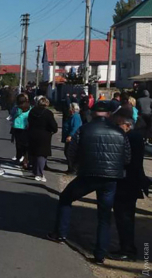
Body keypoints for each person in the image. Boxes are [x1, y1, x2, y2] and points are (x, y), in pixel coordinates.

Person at [47, 101, 131, 265]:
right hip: (110, 178)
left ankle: (60, 233)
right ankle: (100, 254)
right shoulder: (119, 132)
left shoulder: (84, 129)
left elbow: (72, 151)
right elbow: (127, 158)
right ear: (109, 114)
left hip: (88, 175)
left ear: (93, 113)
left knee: (65, 198)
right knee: (104, 215)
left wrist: (76, 167)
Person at [110, 110, 151, 262]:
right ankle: (125, 247)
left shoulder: (132, 138)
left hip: (128, 184)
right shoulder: (132, 137)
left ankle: (127, 249)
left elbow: (129, 162)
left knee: (125, 218)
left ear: (127, 125)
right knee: (123, 218)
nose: (116, 127)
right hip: (128, 182)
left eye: (118, 124)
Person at [28, 96, 58, 182]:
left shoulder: (32, 111)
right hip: (44, 135)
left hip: (33, 133)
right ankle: (39, 174)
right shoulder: (48, 113)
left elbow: (29, 122)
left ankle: (35, 171)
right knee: (42, 155)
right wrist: (53, 130)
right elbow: (53, 125)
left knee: (34, 153)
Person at [11, 94, 31, 167]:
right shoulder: (30, 107)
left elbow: (12, 114)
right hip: (26, 127)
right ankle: (25, 159)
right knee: (26, 145)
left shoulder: (16, 108)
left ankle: (18, 157)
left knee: (18, 144)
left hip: (17, 127)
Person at [62, 102, 82, 174]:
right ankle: (70, 168)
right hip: (69, 136)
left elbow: (75, 127)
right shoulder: (72, 116)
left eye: (70, 108)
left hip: (72, 138)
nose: (69, 110)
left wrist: (70, 135)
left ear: (73, 109)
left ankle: (73, 169)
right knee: (67, 152)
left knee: (69, 153)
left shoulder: (75, 116)